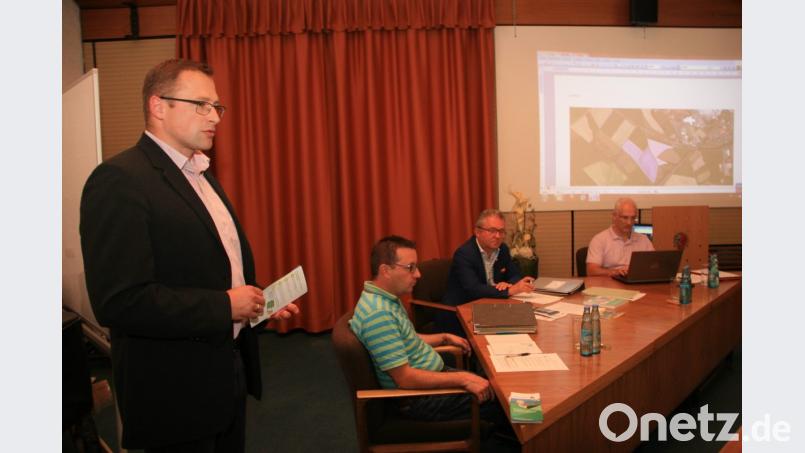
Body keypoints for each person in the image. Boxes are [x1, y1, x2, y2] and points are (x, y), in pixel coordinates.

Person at [80, 59, 299, 452]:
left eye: (217, 106)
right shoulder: (120, 180)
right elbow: (119, 301)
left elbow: (206, 269)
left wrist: (255, 303)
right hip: (174, 392)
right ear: (158, 106)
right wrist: (224, 305)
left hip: (226, 375)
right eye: (200, 104)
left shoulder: (201, 175)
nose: (214, 116)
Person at [349, 236, 512, 436]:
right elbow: (405, 379)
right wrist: (462, 378)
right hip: (419, 398)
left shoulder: (385, 299)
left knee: (499, 381)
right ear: (385, 270)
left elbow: (407, 339)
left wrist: (443, 337)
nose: (417, 274)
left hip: (430, 378)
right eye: (410, 267)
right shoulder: (378, 314)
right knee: (504, 399)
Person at [439, 209, 534, 335]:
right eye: (492, 231)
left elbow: (515, 274)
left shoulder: (502, 249)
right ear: (477, 232)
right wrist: (509, 291)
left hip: (491, 307)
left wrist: (508, 284)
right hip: (462, 313)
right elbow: (473, 289)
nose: (498, 236)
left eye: (501, 231)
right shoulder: (464, 254)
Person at [586, 197, 655, 277]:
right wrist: (615, 272)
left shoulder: (644, 240)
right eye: (625, 218)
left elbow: (654, 265)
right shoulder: (599, 240)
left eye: (633, 218)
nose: (629, 223)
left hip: (636, 284)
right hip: (609, 284)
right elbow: (591, 271)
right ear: (614, 216)